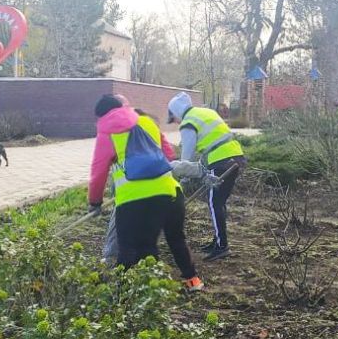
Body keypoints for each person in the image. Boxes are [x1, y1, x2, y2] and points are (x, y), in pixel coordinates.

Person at [88, 94, 203, 291]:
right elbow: (169, 155)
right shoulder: (147, 122)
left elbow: (98, 170)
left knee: (131, 248)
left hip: (135, 200)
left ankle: (129, 295)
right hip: (170, 193)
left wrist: (95, 202)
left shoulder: (107, 131)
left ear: (102, 116)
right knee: (176, 238)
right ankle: (193, 282)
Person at [167, 92, 246, 262]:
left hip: (220, 161)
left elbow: (186, 156)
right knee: (219, 202)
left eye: (173, 118)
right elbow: (213, 138)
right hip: (236, 156)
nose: (175, 121)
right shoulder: (206, 112)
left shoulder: (188, 123)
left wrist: (184, 178)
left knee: (214, 202)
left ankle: (222, 246)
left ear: (177, 111)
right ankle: (218, 240)